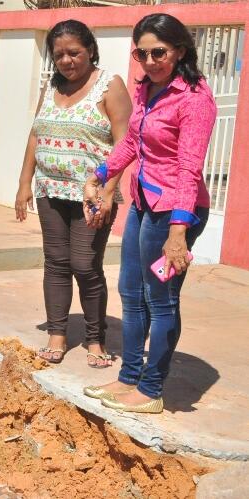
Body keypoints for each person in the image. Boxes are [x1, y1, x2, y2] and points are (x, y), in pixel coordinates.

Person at [83, 13, 216, 413]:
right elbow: (133, 144)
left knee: (160, 300)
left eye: (159, 51)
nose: (150, 60)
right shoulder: (147, 89)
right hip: (143, 202)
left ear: (179, 50)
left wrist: (179, 231)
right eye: (142, 53)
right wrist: (101, 172)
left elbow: (189, 167)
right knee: (130, 293)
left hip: (176, 211)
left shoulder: (194, 98)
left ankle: (152, 389)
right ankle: (129, 378)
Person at [16, 20, 132, 368]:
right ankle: (57, 334)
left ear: (90, 50)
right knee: (56, 264)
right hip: (49, 189)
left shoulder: (109, 86)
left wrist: (109, 190)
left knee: (85, 264)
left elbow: (124, 142)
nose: (67, 60)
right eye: (59, 55)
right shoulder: (50, 87)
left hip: (91, 194)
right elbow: (36, 135)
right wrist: (24, 183)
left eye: (74, 53)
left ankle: (96, 338)